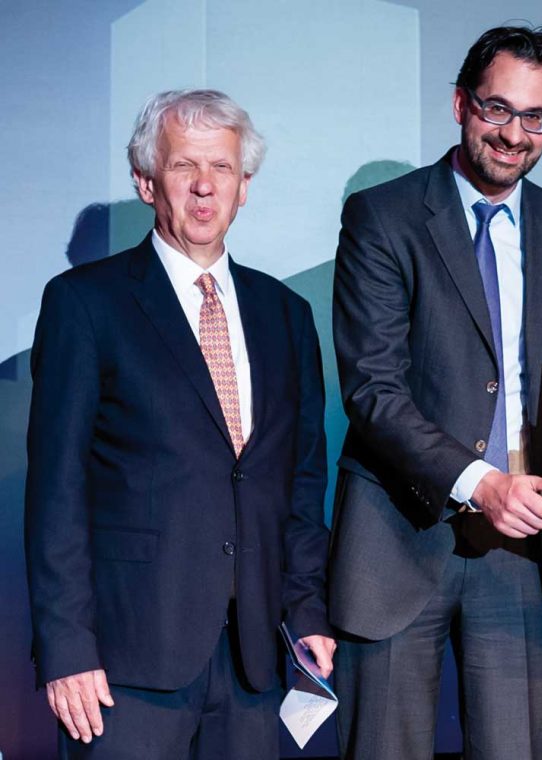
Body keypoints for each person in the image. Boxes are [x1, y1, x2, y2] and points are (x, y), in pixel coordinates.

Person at [24, 89, 335, 759]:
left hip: (255, 660)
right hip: (125, 661)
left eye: (222, 167)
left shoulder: (286, 314)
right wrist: (66, 647)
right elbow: (56, 489)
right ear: (146, 182)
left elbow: (303, 480)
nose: (203, 186)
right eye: (183, 166)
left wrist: (306, 609)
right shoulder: (85, 303)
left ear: (243, 187)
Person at [328, 25, 542, 760]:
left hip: (523, 549)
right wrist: (480, 483)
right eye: (497, 109)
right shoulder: (382, 216)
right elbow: (372, 388)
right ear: (460, 104)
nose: (513, 134)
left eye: (534, 116)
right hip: (397, 533)